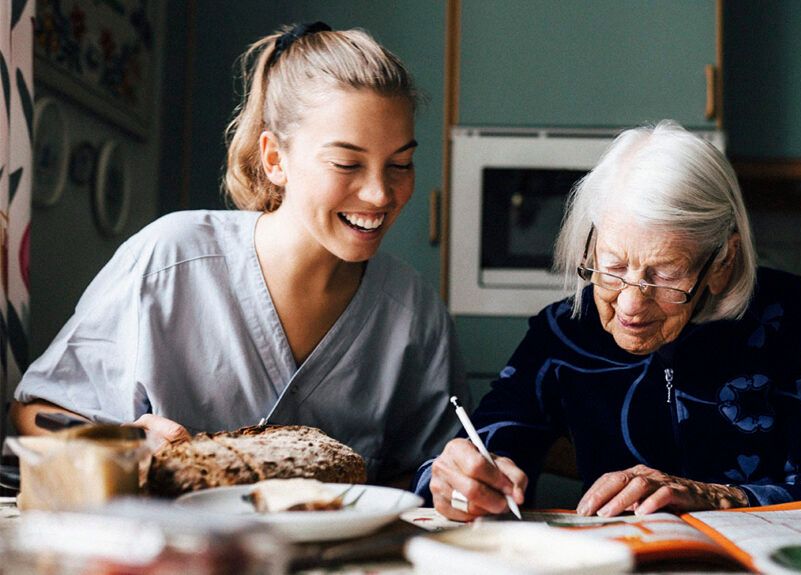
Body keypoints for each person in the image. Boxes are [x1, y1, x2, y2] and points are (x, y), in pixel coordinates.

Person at [11, 23, 466, 485]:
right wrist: (119, 443)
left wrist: (458, 480)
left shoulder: (415, 312)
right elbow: (35, 412)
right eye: (347, 163)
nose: (379, 193)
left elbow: (432, 469)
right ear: (275, 160)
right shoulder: (169, 259)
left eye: (400, 164)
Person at [415, 120, 801, 519]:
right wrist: (460, 479)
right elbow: (473, 450)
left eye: (666, 276)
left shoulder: (781, 312)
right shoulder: (563, 332)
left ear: (723, 262)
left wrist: (719, 497)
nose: (631, 305)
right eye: (612, 268)